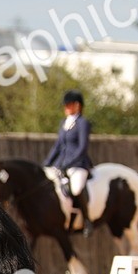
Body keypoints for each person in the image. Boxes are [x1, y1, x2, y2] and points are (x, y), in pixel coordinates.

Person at [43, 89, 94, 236]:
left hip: (78, 164)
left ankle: (87, 221)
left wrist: (69, 164)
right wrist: (46, 163)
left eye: (68, 105)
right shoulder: (64, 123)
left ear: (77, 105)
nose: (65, 108)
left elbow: (82, 148)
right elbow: (58, 146)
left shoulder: (83, 123)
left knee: (76, 189)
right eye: (65, 105)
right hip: (61, 163)